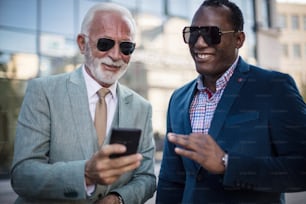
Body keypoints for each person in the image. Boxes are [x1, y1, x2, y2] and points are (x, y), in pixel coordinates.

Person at [156, 0, 306, 203]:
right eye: (193, 33)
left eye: (212, 34)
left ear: (239, 39)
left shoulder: (274, 88)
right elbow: (171, 181)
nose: (200, 43)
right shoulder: (178, 99)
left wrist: (227, 163)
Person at [10, 2, 156, 204]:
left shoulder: (143, 107)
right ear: (82, 43)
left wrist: (118, 198)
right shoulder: (43, 91)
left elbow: (147, 177)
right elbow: (22, 176)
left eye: (126, 47)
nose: (115, 55)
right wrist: (86, 174)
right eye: (105, 43)